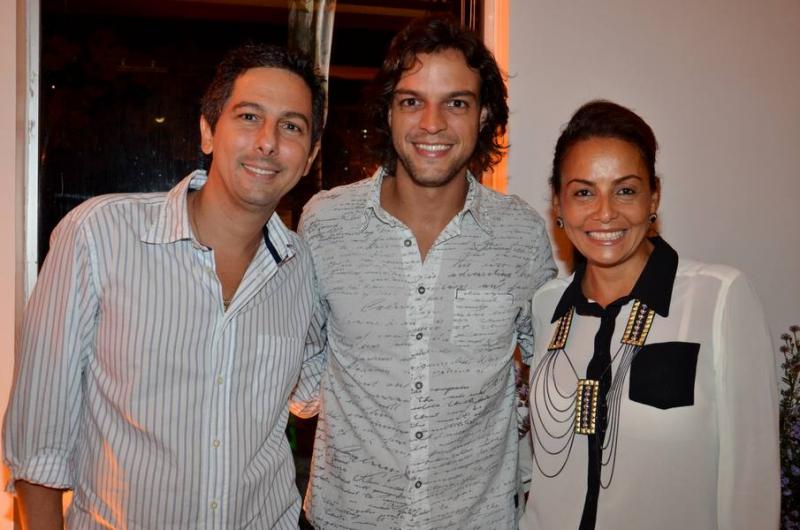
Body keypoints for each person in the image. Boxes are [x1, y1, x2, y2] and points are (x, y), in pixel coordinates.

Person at [3, 43, 325, 529]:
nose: (267, 142)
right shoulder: (100, 235)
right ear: (208, 131)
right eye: (249, 117)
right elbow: (38, 450)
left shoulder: (303, 270)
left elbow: (311, 394)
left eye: (292, 126)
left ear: (310, 156)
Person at [290, 16, 556, 530]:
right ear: (388, 113)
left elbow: (552, 366)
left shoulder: (520, 234)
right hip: (346, 519)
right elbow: (300, 362)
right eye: (412, 101)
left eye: (456, 103)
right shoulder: (326, 223)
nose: (432, 124)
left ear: (483, 115)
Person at [519, 100, 779, 529]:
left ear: (653, 196)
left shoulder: (718, 298)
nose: (605, 212)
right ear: (558, 204)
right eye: (584, 192)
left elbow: (752, 488)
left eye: (625, 190)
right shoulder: (548, 305)